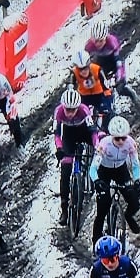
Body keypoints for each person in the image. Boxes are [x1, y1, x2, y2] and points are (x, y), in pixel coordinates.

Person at [89, 116, 140, 250]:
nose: (120, 141)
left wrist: (137, 179)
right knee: (102, 208)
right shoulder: (104, 144)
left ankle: (128, 216)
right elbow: (93, 168)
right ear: (111, 136)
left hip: (120, 170)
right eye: (117, 138)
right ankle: (96, 241)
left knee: (134, 201)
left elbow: (135, 164)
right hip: (104, 171)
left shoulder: (130, 143)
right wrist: (97, 181)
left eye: (123, 138)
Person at [53, 89, 101, 225]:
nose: (69, 113)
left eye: (73, 110)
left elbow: (93, 132)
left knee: (98, 149)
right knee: (65, 169)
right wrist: (59, 149)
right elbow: (57, 134)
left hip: (84, 132)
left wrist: (97, 146)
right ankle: (64, 209)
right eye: (67, 109)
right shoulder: (59, 111)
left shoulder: (84, 110)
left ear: (78, 107)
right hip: (69, 136)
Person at [85, 20, 139, 102]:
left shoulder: (112, 42)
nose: (98, 44)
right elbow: (86, 63)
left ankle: (131, 94)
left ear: (106, 38)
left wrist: (119, 77)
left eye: (101, 41)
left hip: (114, 60)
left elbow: (118, 61)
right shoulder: (89, 46)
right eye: (96, 41)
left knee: (120, 87)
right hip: (101, 61)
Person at [68, 48, 115, 133]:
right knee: (79, 116)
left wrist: (108, 102)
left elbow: (106, 88)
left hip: (100, 95)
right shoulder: (74, 73)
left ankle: (107, 130)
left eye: (85, 68)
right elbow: (70, 90)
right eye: (80, 69)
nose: (83, 71)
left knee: (107, 112)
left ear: (89, 64)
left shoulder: (97, 69)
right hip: (84, 96)